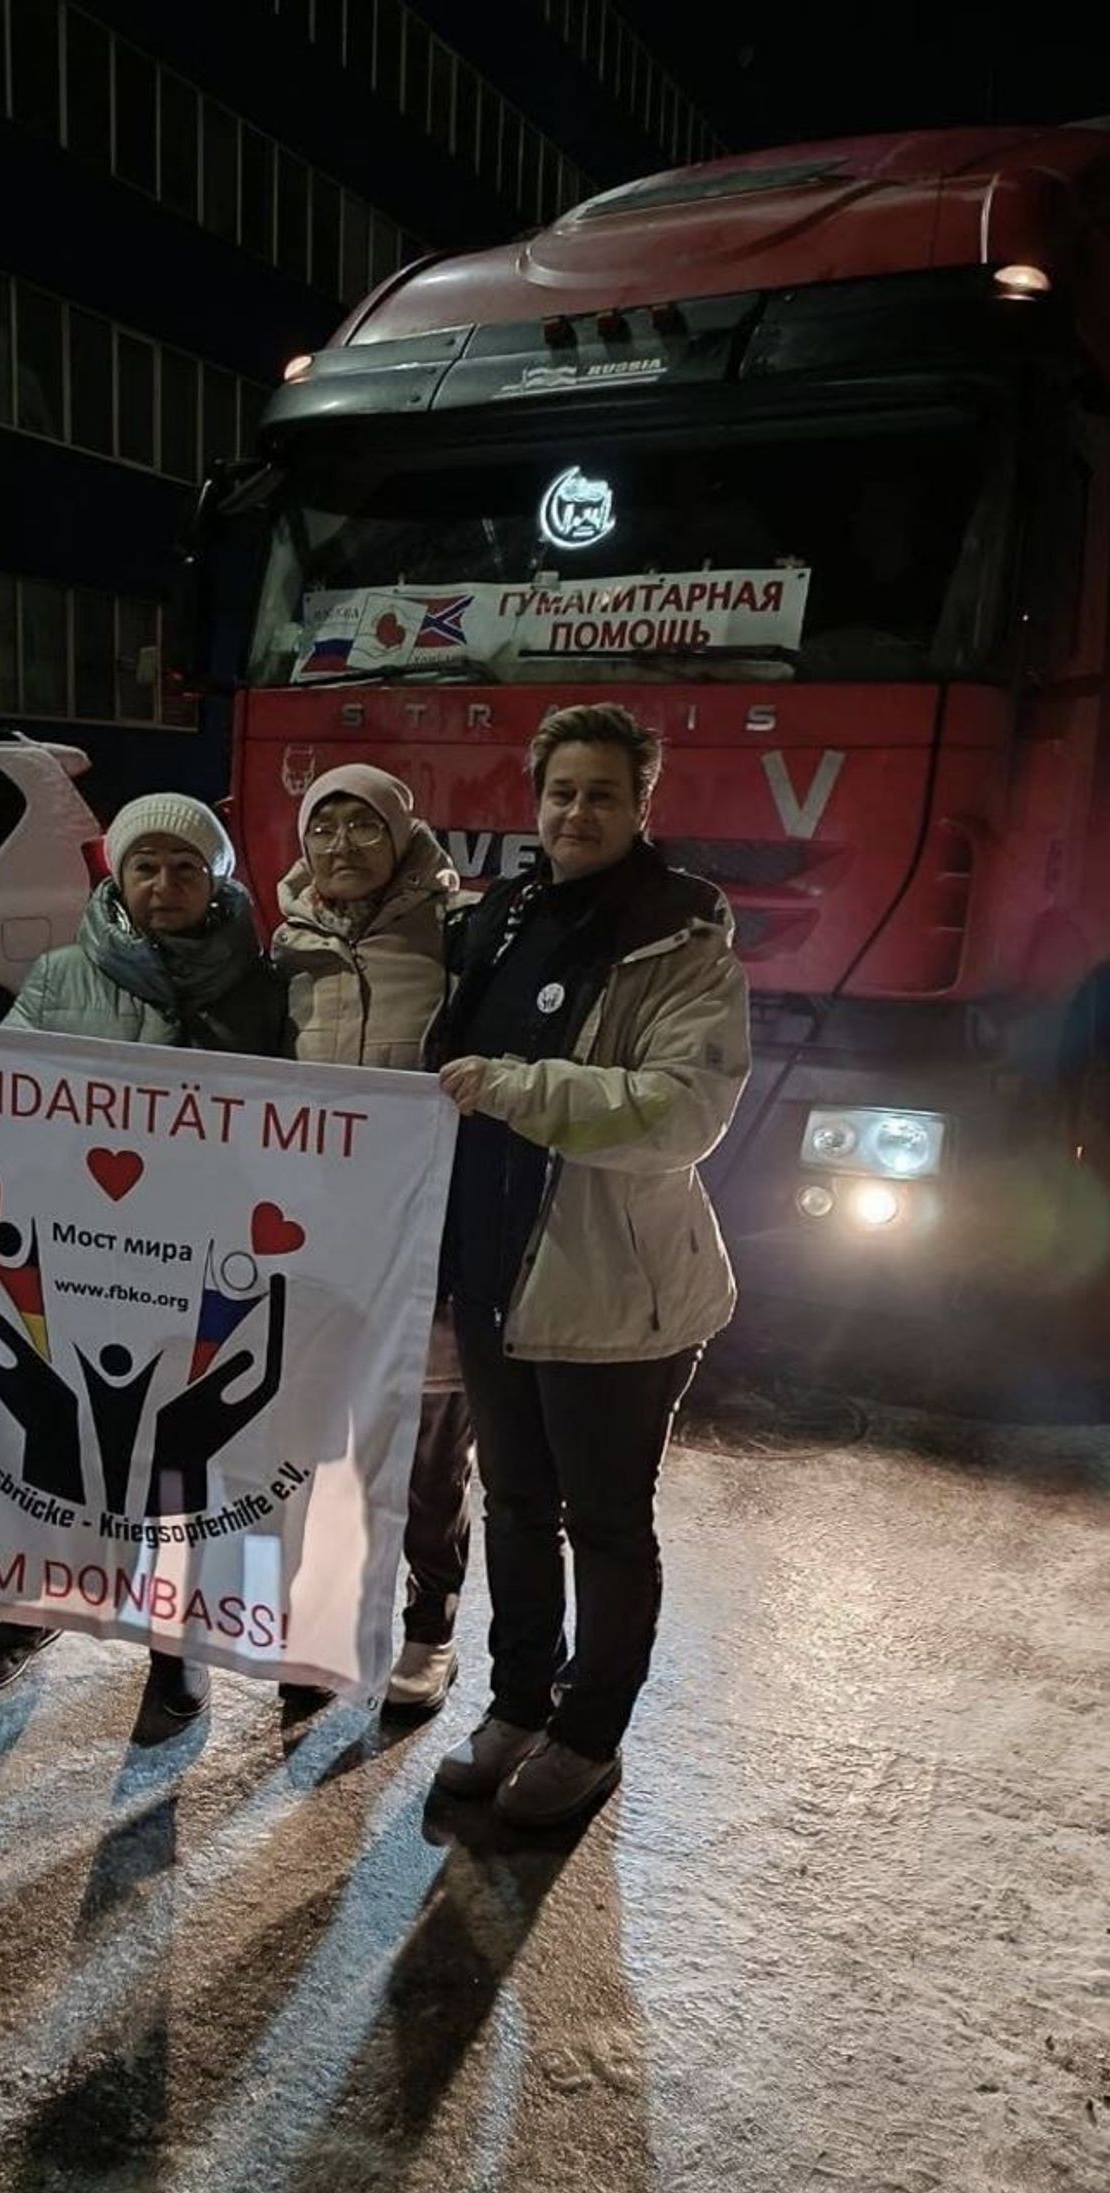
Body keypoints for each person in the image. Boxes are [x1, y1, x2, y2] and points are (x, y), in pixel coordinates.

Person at [432, 703, 749, 1826]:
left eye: (602, 793)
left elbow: (680, 1114)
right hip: (490, 1271)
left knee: (605, 1523)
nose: (577, 811)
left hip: (614, 1291)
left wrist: (516, 1085)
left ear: (641, 806)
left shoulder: (681, 936)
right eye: (560, 791)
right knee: (514, 1504)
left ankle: (587, 1733)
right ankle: (518, 1701)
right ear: (534, 801)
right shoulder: (502, 917)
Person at [0, 792, 286, 1726]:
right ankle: (41, 1604)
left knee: (176, 1453)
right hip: (82, 1257)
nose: (164, 884)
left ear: (217, 881)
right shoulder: (62, 977)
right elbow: (4, 1093)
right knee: (62, 1441)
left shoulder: (259, 988)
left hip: (204, 1260)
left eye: (186, 867)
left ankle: (175, 1641)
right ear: (119, 875)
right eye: (145, 865)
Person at [273, 764, 473, 1714]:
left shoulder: (459, 939)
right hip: (315, 1251)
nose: (342, 846)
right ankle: (317, 1627)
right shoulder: (281, 952)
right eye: (324, 827)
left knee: (431, 1453)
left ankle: (431, 1628)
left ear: (403, 837)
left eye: (364, 826)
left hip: (426, 1248)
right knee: (316, 1445)